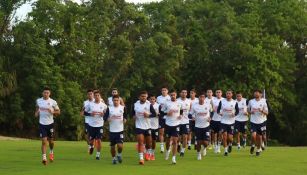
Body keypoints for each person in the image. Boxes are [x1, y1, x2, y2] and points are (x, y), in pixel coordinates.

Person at [35, 87, 60, 165]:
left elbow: (58, 112)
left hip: (50, 124)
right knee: (43, 141)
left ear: (50, 93)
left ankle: (51, 152)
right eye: (44, 92)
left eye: (47, 93)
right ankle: (44, 158)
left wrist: (52, 111)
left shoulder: (53, 102)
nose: (46, 94)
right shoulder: (38, 101)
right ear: (42, 93)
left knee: (51, 142)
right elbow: (37, 110)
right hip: (42, 124)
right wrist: (36, 113)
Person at [132, 91, 156, 165]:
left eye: (145, 96)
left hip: (148, 126)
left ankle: (147, 153)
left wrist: (148, 115)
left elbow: (154, 114)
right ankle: (141, 159)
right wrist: (134, 117)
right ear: (139, 97)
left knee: (149, 144)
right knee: (140, 142)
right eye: (142, 96)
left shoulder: (149, 105)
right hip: (139, 126)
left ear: (147, 97)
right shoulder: (135, 104)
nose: (144, 97)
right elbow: (132, 114)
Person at [103, 95, 127, 164]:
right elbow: (105, 117)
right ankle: (113, 158)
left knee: (120, 146)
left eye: (117, 100)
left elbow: (125, 116)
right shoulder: (109, 108)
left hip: (120, 130)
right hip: (112, 131)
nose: (116, 102)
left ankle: (119, 154)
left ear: (119, 101)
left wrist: (125, 119)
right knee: (112, 147)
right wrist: (108, 119)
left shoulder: (122, 108)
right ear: (112, 101)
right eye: (114, 100)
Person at [85, 90, 107, 160]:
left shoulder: (103, 105)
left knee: (99, 140)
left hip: (100, 125)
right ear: (94, 97)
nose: (97, 97)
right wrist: (90, 114)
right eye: (96, 96)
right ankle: (91, 146)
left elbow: (107, 114)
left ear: (100, 96)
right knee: (91, 141)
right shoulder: (90, 104)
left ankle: (98, 155)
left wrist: (104, 115)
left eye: (98, 95)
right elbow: (84, 112)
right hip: (91, 125)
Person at [189, 92, 212, 160]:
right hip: (198, 126)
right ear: (198, 98)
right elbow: (189, 115)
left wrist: (210, 118)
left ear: (204, 98)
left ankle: (204, 148)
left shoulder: (208, 105)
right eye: (200, 97)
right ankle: (198, 154)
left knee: (205, 142)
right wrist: (192, 117)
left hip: (206, 126)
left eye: (203, 97)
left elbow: (212, 112)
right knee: (199, 142)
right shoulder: (194, 105)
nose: (202, 98)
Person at [163, 90, 183, 164]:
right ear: (170, 96)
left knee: (175, 141)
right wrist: (167, 113)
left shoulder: (179, 103)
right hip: (168, 124)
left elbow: (181, 110)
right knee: (168, 142)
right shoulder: (166, 103)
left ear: (176, 95)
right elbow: (161, 112)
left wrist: (180, 115)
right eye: (171, 95)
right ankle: (167, 150)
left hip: (176, 124)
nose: (173, 96)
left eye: (174, 95)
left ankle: (173, 158)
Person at [217, 90, 239, 156]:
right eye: (227, 93)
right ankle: (225, 151)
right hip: (223, 122)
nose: (228, 95)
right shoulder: (222, 101)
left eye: (229, 93)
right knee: (224, 136)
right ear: (225, 94)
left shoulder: (235, 102)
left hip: (231, 122)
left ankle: (230, 144)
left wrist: (234, 114)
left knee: (230, 138)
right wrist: (219, 113)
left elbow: (237, 111)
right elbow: (218, 110)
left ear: (232, 95)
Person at [248, 89, 269, 156]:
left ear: (260, 94)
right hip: (253, 121)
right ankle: (253, 145)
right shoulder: (251, 101)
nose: (256, 94)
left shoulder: (264, 102)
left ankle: (258, 149)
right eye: (255, 93)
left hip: (261, 122)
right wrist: (251, 112)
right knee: (253, 136)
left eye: (257, 93)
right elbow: (248, 110)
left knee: (260, 137)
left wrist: (261, 111)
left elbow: (267, 113)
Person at [177, 89, 191, 156]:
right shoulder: (177, 101)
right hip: (177, 122)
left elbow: (191, 110)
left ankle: (182, 151)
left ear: (187, 94)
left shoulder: (189, 101)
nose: (184, 93)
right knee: (178, 137)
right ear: (180, 93)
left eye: (185, 92)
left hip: (186, 121)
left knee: (185, 136)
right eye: (182, 92)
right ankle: (178, 144)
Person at [157, 87, 171, 153]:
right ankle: (162, 146)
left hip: (168, 117)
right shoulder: (158, 98)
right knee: (161, 131)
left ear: (167, 91)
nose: (164, 91)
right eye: (162, 90)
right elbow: (156, 106)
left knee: (168, 132)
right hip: (161, 116)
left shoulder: (170, 97)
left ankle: (169, 145)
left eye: (165, 90)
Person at [211, 89, 224, 153]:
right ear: (215, 93)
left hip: (221, 120)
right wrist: (212, 109)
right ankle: (215, 145)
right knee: (214, 133)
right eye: (217, 92)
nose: (218, 93)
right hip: (214, 119)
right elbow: (211, 109)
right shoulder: (213, 100)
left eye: (219, 92)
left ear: (221, 93)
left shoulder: (224, 100)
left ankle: (218, 146)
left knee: (220, 133)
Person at [149, 95, 161, 160]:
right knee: (149, 140)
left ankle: (153, 153)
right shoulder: (147, 105)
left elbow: (161, 114)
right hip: (148, 125)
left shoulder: (158, 106)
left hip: (155, 125)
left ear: (155, 99)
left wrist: (158, 114)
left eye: (153, 99)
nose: (152, 100)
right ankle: (149, 153)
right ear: (149, 99)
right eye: (151, 99)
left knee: (154, 140)